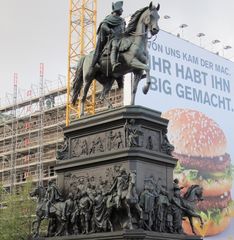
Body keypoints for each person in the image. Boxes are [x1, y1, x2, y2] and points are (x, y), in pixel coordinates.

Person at [89, 1, 125, 75]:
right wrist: (109, 30)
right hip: (113, 38)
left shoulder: (122, 20)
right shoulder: (110, 18)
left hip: (121, 38)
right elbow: (103, 26)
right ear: (117, 9)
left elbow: (124, 30)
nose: (122, 10)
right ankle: (113, 63)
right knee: (115, 45)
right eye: (121, 9)